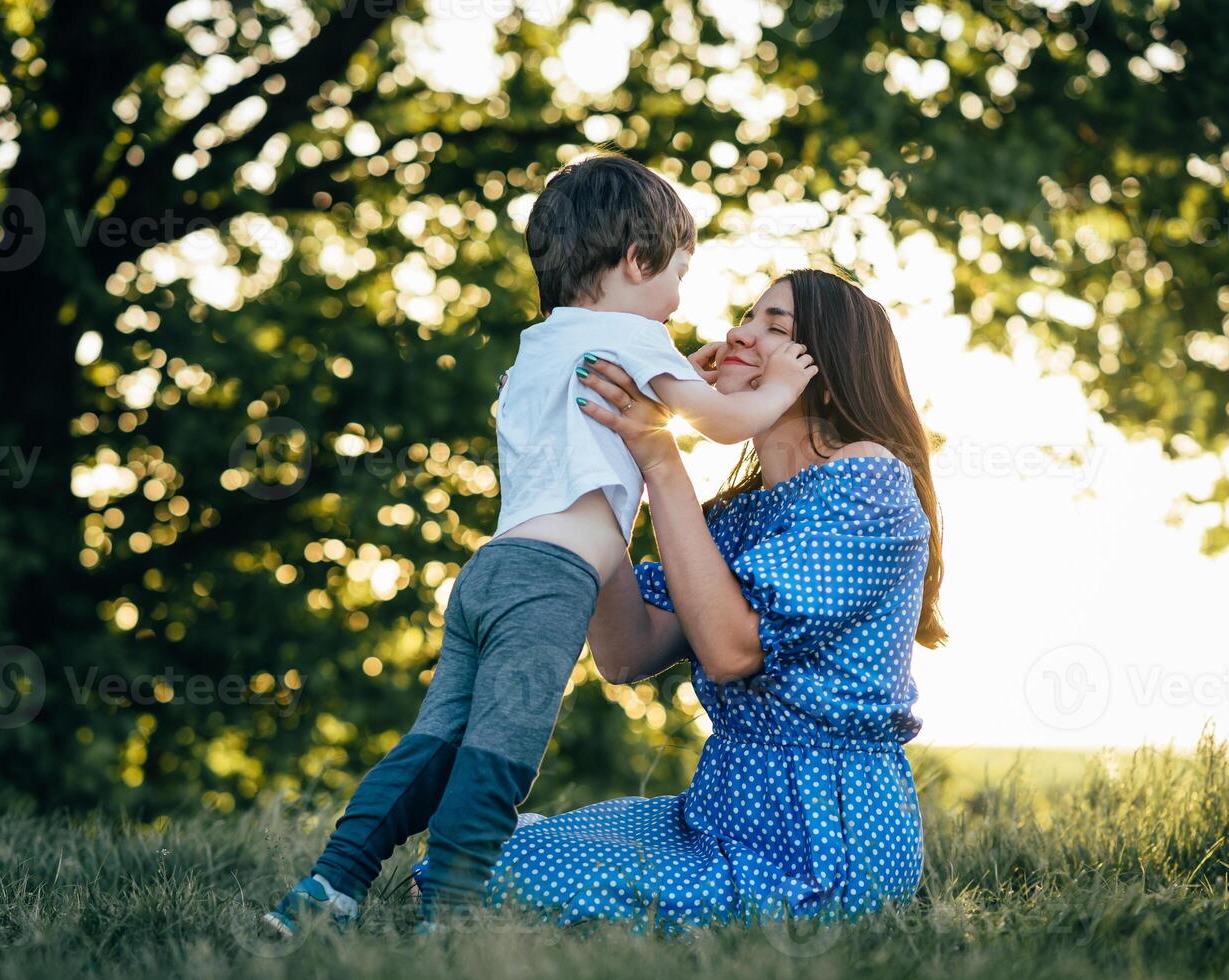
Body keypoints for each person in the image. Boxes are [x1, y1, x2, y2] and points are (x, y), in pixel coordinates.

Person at [265, 154, 818, 934]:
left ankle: (331, 884)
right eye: (678, 275)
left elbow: (629, 398)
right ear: (637, 260)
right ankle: (451, 914)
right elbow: (724, 422)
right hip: (552, 583)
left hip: (492, 573)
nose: (678, 300)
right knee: (500, 755)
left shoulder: (546, 342)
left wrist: (675, 373)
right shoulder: (637, 335)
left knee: (435, 744)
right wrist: (781, 388)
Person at [432, 268, 948, 931]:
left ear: (825, 366)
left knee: (486, 876)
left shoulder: (867, 480)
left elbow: (732, 651)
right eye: (747, 315)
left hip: (822, 839)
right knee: (474, 853)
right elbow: (626, 651)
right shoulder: (737, 517)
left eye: (775, 326)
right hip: (717, 809)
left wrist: (658, 455)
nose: (739, 331)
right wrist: (587, 464)